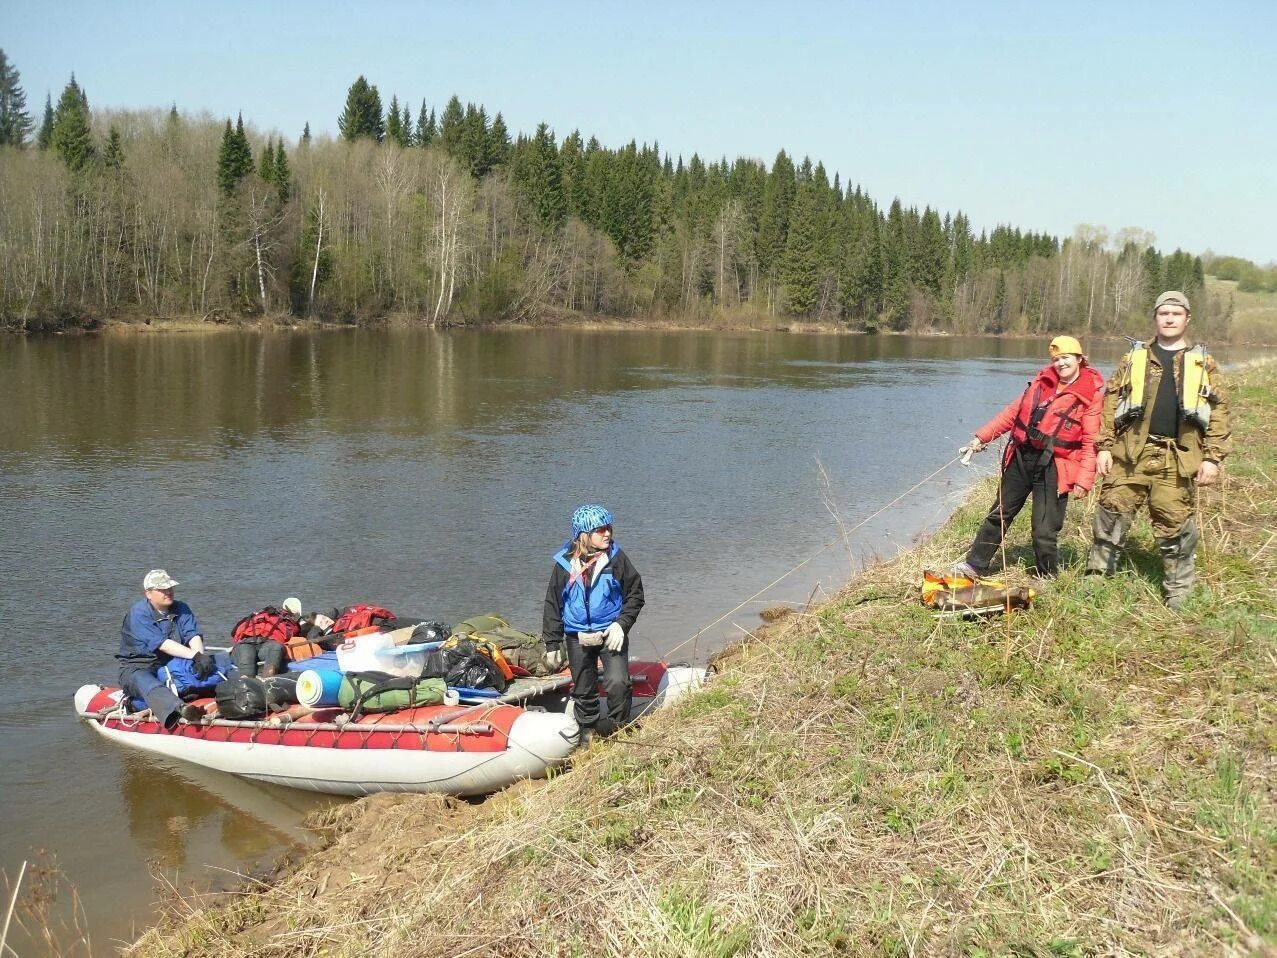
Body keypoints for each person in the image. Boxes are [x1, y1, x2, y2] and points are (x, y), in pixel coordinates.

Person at [1086, 291, 1231, 608]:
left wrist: (1212, 458)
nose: (1169, 319)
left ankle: (1178, 593)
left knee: (1175, 525)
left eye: (1176, 314)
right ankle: (1097, 580)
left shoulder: (1204, 363)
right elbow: (1109, 404)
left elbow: (1219, 412)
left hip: (1176, 458)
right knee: (1111, 514)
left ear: (1186, 319)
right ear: (1155, 317)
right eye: (1163, 313)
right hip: (1130, 455)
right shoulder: (1133, 359)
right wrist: (1104, 448)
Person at [954, 335, 1104, 578]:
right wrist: (981, 438)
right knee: (1000, 512)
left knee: (1044, 529)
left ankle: (1046, 576)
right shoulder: (1041, 383)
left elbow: (1090, 440)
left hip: (1055, 464)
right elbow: (1012, 414)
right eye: (1056, 359)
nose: (1060, 364)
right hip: (1023, 456)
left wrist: (1084, 481)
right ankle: (974, 565)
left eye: (1066, 358)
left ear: (1079, 359)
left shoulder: (1091, 395)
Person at [543, 504, 645, 744]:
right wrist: (552, 643)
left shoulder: (617, 559)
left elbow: (636, 595)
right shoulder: (564, 564)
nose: (607, 533)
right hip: (576, 636)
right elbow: (552, 603)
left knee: (618, 682)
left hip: (611, 632)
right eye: (600, 530)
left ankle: (618, 729)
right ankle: (587, 735)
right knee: (583, 689)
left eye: (609, 528)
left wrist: (622, 624)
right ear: (583, 535)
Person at [116, 569, 213, 731]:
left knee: (208, 668)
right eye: (162, 590)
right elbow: (162, 644)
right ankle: (180, 709)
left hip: (169, 663)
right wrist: (193, 655)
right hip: (137, 667)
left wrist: (200, 658)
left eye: (170, 588)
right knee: (146, 681)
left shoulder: (181, 608)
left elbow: (192, 635)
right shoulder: (139, 613)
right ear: (148, 593)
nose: (168, 592)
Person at [229, 597, 304, 677]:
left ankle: (248, 682)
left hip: (247, 642)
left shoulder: (256, 616)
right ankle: (266, 680)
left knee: (248, 657)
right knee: (274, 648)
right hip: (262, 644)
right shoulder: (290, 624)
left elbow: (234, 632)